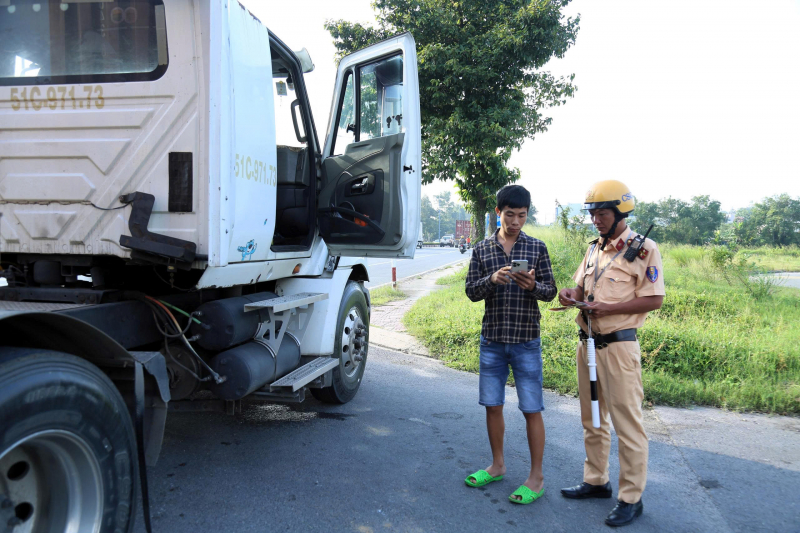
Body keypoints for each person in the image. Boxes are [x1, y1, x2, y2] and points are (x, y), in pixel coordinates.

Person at [558, 180, 665, 527]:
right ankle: (596, 480)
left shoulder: (644, 250)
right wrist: (568, 294)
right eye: (593, 214)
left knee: (627, 424)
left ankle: (631, 498)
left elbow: (654, 299)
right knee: (592, 416)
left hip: (618, 348)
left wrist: (609, 308)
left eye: (602, 213)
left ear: (621, 213)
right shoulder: (593, 250)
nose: (596, 220)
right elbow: (579, 288)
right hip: (587, 344)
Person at [464, 184, 556, 505]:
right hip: (492, 340)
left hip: (526, 340)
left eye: (522, 215)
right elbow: (471, 291)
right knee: (492, 405)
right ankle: (497, 465)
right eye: (510, 215)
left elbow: (550, 291)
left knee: (532, 409)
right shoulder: (482, 249)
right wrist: (491, 280)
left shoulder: (536, 247)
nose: (516, 222)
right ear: (498, 212)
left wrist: (532, 286)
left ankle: (536, 477)